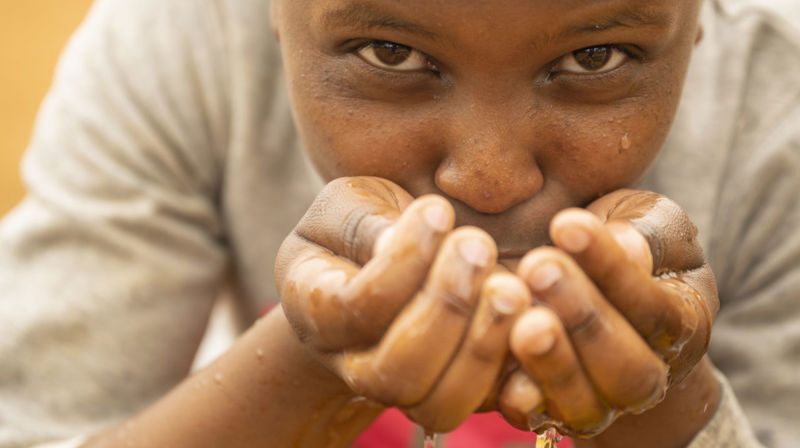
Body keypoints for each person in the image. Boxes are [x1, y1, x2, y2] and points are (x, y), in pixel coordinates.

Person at [0, 0, 798, 446]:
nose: (487, 179)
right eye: (387, 53)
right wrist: (308, 363)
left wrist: (660, 400)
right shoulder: (181, 43)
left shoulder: (778, 107)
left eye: (596, 60)